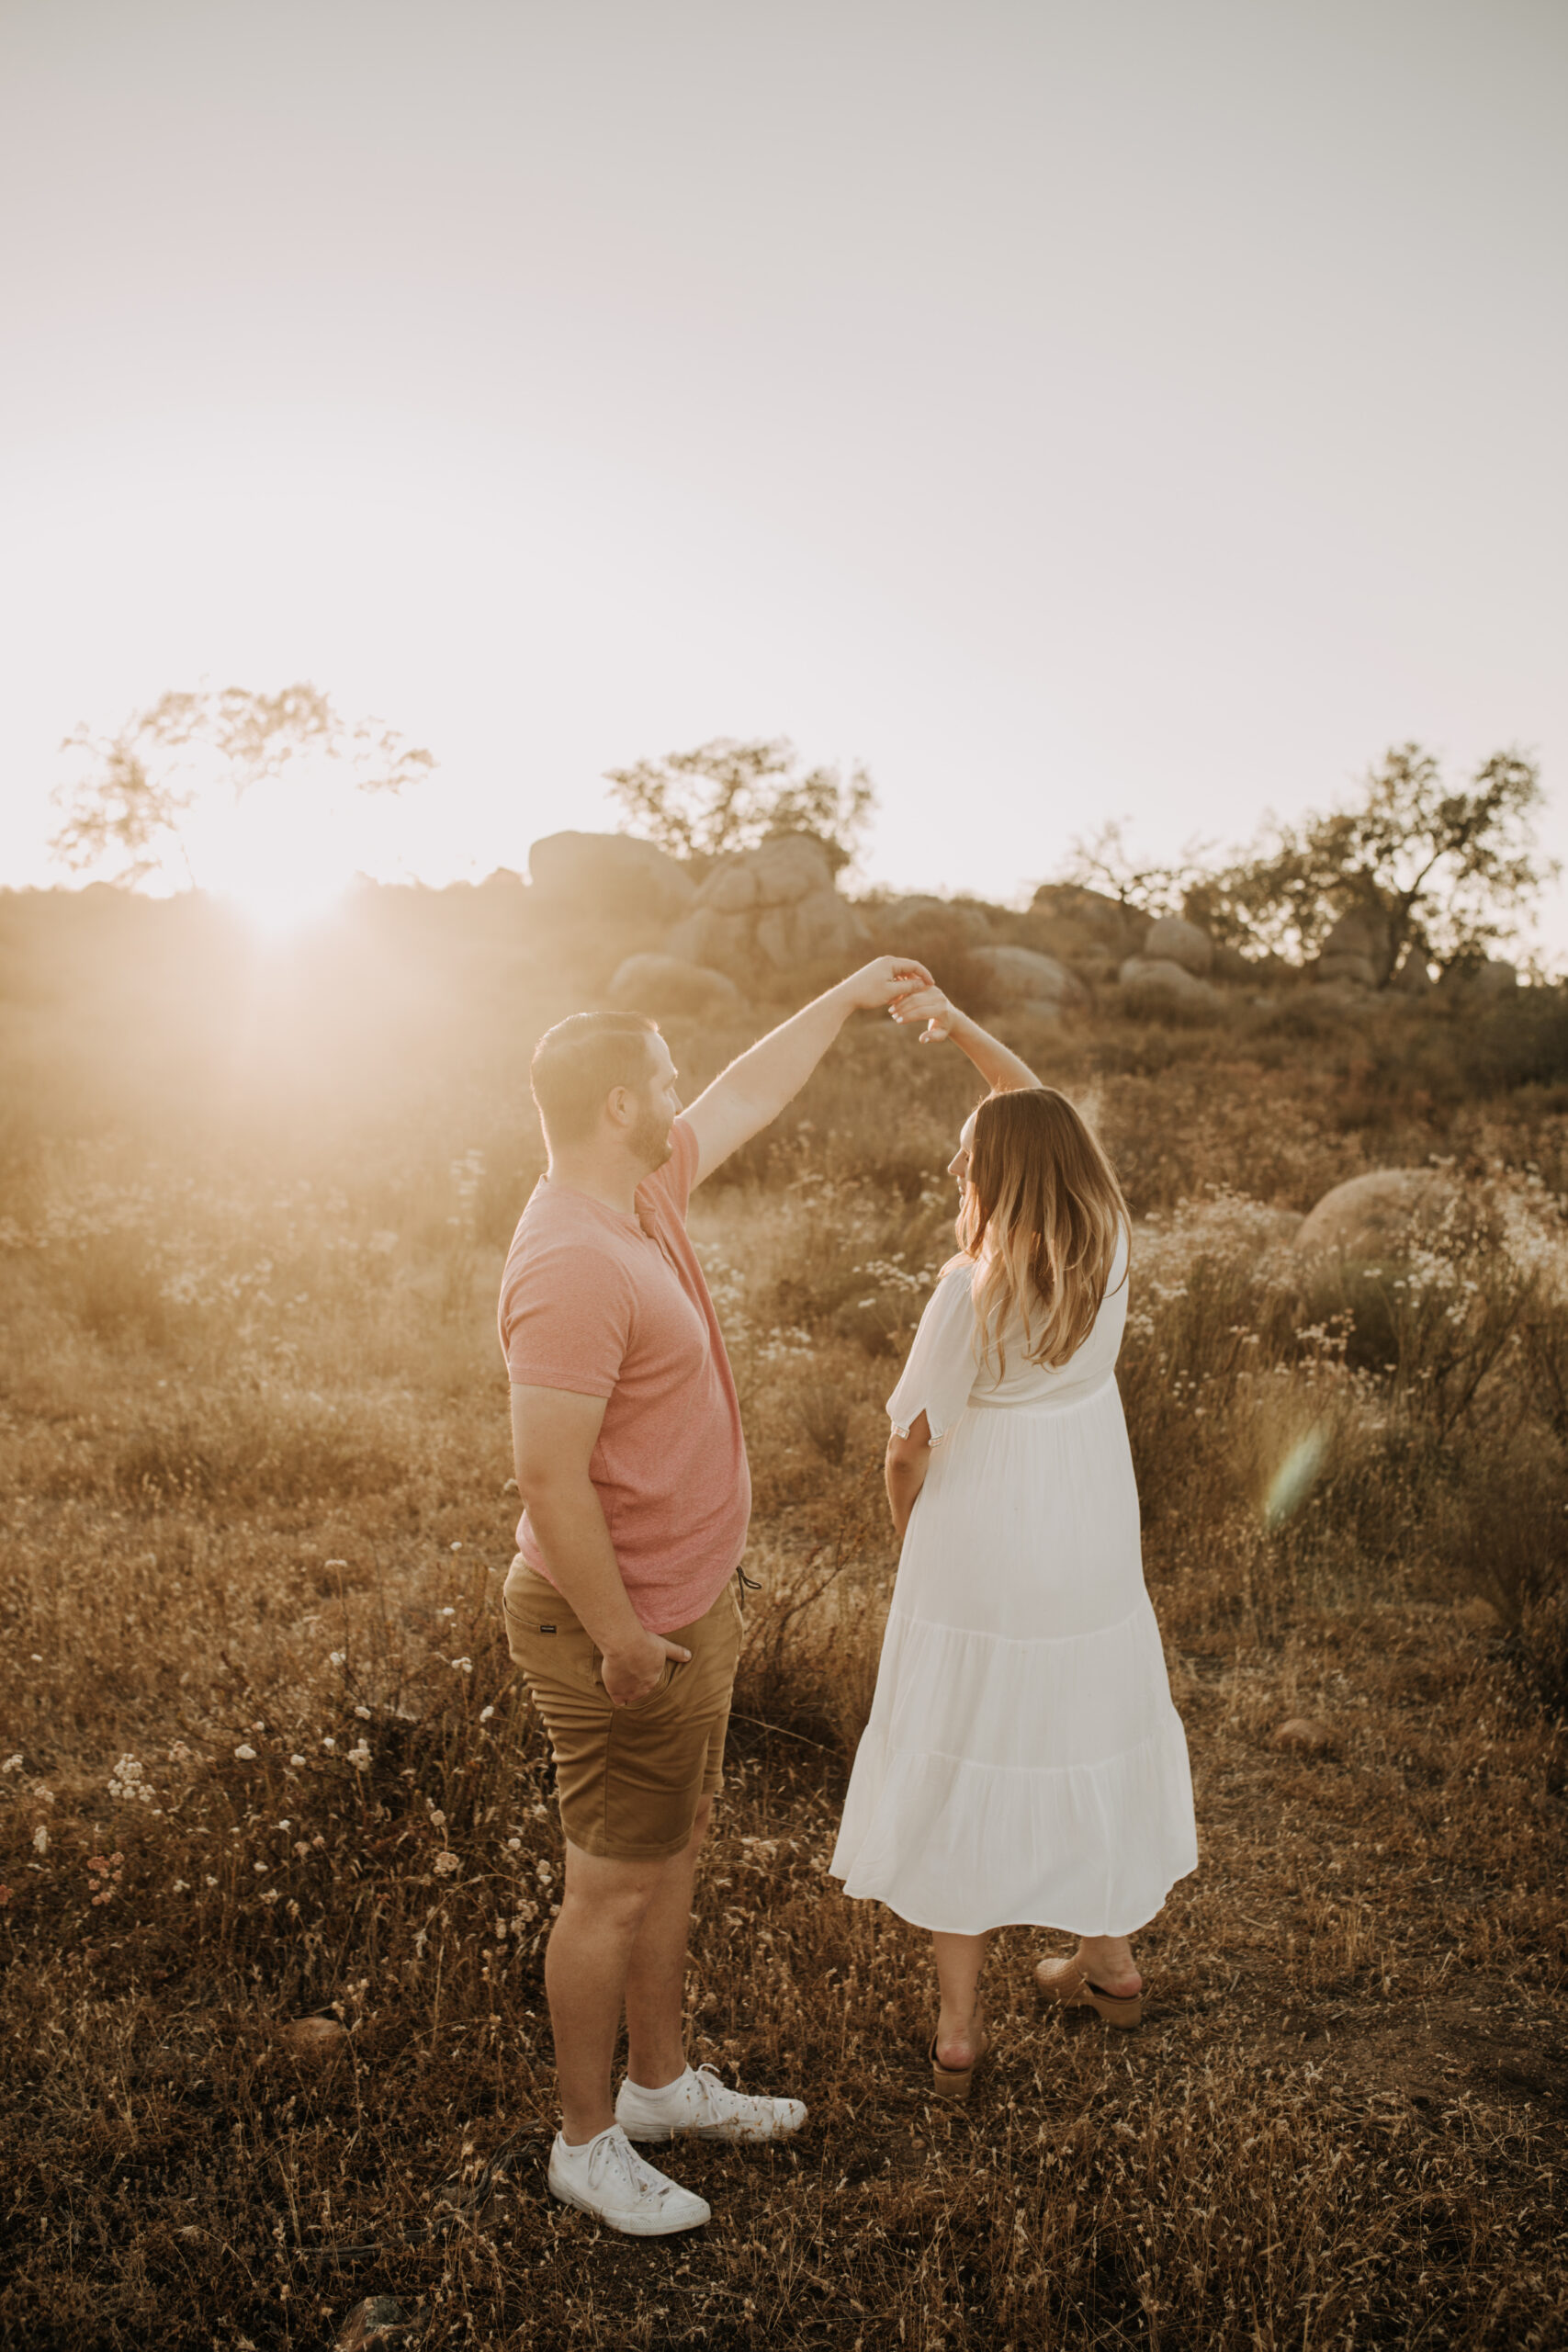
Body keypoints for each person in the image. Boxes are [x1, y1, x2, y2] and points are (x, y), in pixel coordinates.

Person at [499, 956, 932, 2234]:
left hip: (687, 1609)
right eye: (665, 1083)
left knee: (667, 1853)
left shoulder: (640, 1193)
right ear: (621, 1104)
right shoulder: (571, 1257)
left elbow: (745, 1094)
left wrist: (848, 995)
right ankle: (585, 2144)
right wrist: (622, 1635)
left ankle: (660, 2085)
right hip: (616, 1628)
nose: (686, 1098)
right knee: (608, 1887)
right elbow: (545, 1474)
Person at [829, 983, 1198, 2097]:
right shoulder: (1115, 1245)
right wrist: (954, 1026)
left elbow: (909, 1448)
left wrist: (911, 1539)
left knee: (962, 1741)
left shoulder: (966, 1290)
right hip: (1086, 1522)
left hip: (980, 1537)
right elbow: (1038, 1105)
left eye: (965, 1159)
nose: (953, 1173)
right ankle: (1112, 1964)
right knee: (1087, 1715)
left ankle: (957, 2033)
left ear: (1001, 1176)